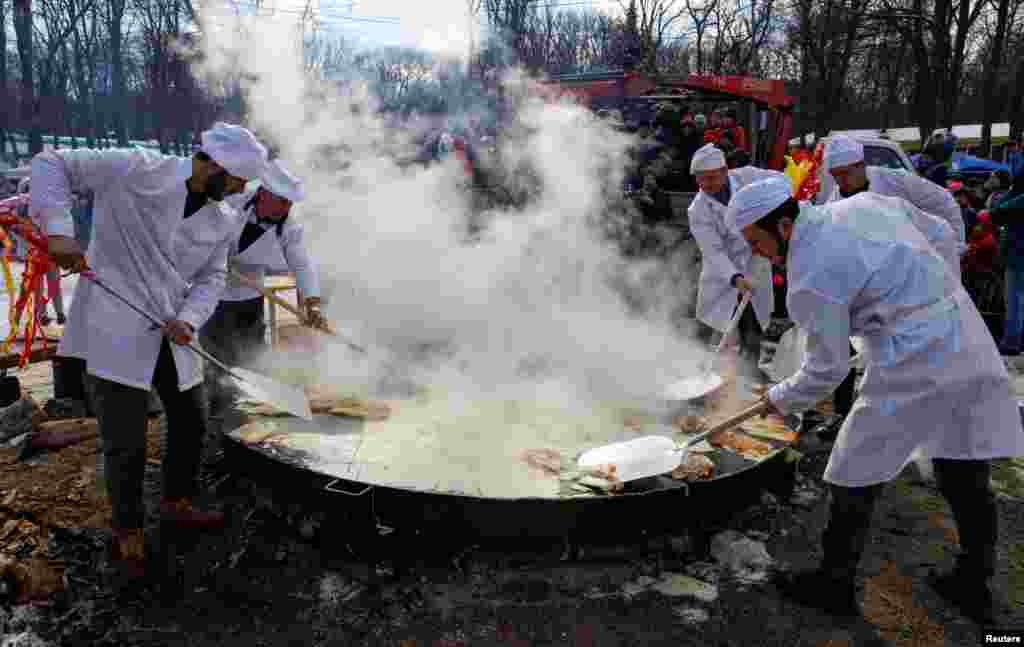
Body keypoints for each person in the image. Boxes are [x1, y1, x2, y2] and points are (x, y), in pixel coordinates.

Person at [727, 176, 1024, 623]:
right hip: (963, 332)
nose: (759, 253)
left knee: (852, 467)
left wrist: (777, 398)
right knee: (963, 462)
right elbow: (942, 233)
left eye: (757, 241)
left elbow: (825, 370)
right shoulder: (863, 204)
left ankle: (834, 582)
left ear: (784, 226)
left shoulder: (810, 276)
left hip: (912, 357)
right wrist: (931, 290)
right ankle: (973, 580)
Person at [31, 122, 267, 584]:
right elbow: (50, 162)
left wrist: (191, 320)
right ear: (214, 165)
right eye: (237, 180)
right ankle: (128, 529)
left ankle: (177, 503)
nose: (240, 191)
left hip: (175, 330)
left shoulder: (222, 218)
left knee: (192, 419)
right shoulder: (134, 168)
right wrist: (58, 231)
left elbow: (211, 277)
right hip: (117, 323)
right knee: (126, 438)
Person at [202, 159, 325, 413]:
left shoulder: (288, 228)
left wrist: (312, 302)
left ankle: (247, 409)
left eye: (289, 203)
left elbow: (302, 264)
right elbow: (201, 229)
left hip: (250, 296)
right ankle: (218, 412)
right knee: (217, 357)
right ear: (264, 194)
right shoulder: (231, 201)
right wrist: (213, 255)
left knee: (251, 356)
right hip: (212, 294)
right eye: (282, 201)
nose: (286, 208)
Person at [687, 143, 785, 375]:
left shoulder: (749, 177)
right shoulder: (698, 209)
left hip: (756, 258)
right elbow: (713, 251)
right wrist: (735, 277)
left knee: (752, 324)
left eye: (711, 178)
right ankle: (697, 372)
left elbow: (783, 182)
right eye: (701, 180)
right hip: (722, 273)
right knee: (709, 322)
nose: (707, 185)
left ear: (725, 170)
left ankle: (748, 375)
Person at [823, 135, 965, 246]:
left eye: (845, 173)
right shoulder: (834, 203)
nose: (841, 181)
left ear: (861, 165)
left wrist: (955, 244)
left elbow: (943, 200)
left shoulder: (895, 181)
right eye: (835, 175)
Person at [17, 178, 66, 325]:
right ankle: (47, 314)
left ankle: (57, 313)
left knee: (51, 283)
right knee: (41, 285)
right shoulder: (25, 203)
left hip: (46, 249)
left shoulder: (46, 202)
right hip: (36, 251)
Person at [988, 168, 1024, 355]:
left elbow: (998, 210)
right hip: (1017, 251)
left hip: (1018, 253)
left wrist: (1012, 191)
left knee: (1014, 298)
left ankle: (1012, 341)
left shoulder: (1016, 199)